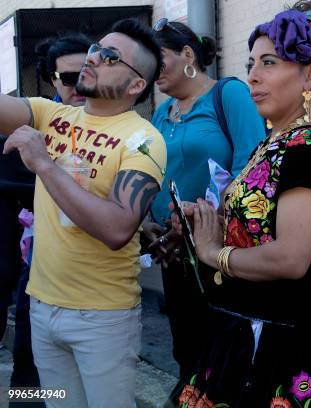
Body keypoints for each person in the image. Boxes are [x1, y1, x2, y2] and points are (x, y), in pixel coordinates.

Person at [169, 2, 311, 406]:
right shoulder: (272, 144)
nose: (253, 76)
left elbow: (291, 258)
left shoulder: (308, 148)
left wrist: (212, 252)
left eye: (269, 63)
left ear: (310, 75)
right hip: (247, 328)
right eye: (251, 62)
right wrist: (205, 219)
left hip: (289, 343)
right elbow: (259, 228)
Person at [1, 18, 166, 407]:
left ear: (136, 84)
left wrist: (44, 163)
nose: (93, 59)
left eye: (109, 57)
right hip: (41, 308)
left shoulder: (143, 140)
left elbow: (117, 229)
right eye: (96, 49)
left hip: (102, 318)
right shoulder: (51, 115)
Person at [144, 19, 265, 379]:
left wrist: (200, 220)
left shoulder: (229, 94)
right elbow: (152, 171)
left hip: (220, 247)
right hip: (173, 250)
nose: (152, 69)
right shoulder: (161, 112)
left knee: (224, 352)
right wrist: (151, 224)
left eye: (158, 58)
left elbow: (252, 164)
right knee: (186, 347)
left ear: (187, 54)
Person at [6, 33, 91, 406]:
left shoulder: (116, 125)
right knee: (29, 359)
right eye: (70, 78)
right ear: (52, 80)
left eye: (89, 73)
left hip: (101, 271)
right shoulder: (34, 120)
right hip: (38, 260)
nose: (82, 85)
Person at [35, 33, 91, 105]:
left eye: (87, 77)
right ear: (53, 79)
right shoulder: (41, 115)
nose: (79, 86)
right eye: (69, 78)